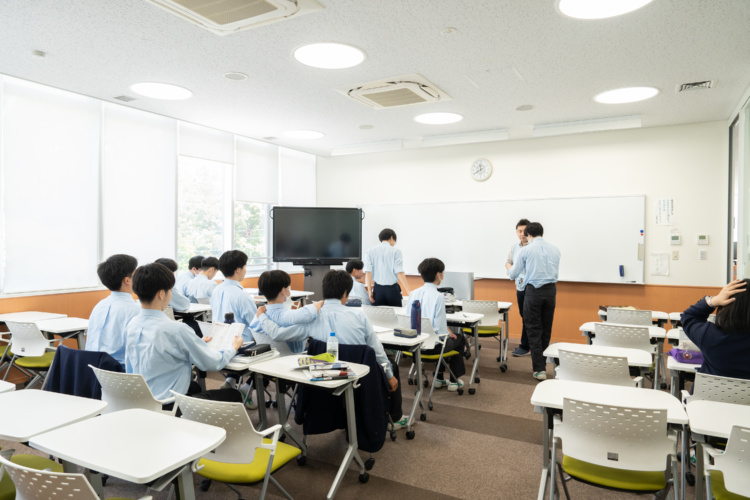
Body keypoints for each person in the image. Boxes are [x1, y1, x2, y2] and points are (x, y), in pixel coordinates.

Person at [256, 270, 405, 428]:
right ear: (345, 292)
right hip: (358, 376)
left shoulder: (313, 318)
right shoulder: (360, 316)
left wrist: (262, 315)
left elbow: (279, 334)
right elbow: (377, 351)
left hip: (324, 375)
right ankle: (394, 419)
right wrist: (388, 374)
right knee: (390, 365)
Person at [124, 263, 242, 402]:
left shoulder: (132, 324)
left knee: (195, 388)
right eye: (171, 291)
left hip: (141, 399)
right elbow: (212, 363)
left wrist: (195, 343)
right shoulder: (176, 330)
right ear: (161, 293)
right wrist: (232, 348)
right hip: (169, 404)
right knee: (233, 395)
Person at [508, 222, 560, 381]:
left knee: (533, 329)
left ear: (528, 235)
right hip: (551, 292)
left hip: (534, 292)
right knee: (546, 329)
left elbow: (513, 274)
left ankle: (539, 369)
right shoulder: (555, 249)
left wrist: (509, 269)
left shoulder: (526, 250)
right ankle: (542, 364)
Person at [406, 258, 466, 391]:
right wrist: (449, 333)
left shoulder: (413, 293)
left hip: (415, 345)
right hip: (432, 347)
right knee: (459, 340)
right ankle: (453, 381)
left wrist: (447, 330)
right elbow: (439, 331)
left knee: (445, 338)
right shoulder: (438, 296)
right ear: (439, 275)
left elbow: (408, 320)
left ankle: (439, 378)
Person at [681, 279, 750, 380]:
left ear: (726, 307)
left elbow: (688, 316)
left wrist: (714, 301)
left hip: (707, 395)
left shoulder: (709, 335)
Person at [210, 250, 258, 390]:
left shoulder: (216, 290)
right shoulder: (242, 296)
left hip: (218, 342)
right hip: (240, 346)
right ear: (238, 269)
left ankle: (230, 380)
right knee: (271, 348)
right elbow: (256, 324)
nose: (245, 270)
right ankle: (246, 389)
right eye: (245, 266)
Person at [86, 254, 140, 367]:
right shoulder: (135, 310)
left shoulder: (100, 306)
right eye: (136, 273)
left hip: (95, 370)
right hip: (121, 373)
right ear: (127, 280)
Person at [256, 269, 322, 353]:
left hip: (268, 361)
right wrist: (320, 303)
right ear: (283, 291)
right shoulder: (288, 316)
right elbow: (308, 313)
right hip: (295, 359)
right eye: (287, 288)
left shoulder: (257, 316)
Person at [363, 228, 411, 306]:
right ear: (392, 237)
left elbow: (368, 272)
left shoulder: (370, 251)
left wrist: (369, 291)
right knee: (396, 315)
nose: (394, 243)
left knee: (377, 316)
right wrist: (409, 291)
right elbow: (399, 272)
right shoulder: (396, 251)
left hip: (377, 289)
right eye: (394, 241)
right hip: (392, 290)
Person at [506, 218, 531, 357]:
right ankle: (527, 345)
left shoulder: (532, 247)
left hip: (531, 286)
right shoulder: (514, 247)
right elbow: (509, 262)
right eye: (520, 231)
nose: (522, 233)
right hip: (519, 287)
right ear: (516, 232)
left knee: (528, 317)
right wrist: (510, 269)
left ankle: (525, 346)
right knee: (524, 316)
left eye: (525, 231)